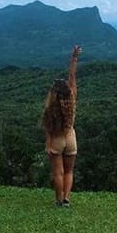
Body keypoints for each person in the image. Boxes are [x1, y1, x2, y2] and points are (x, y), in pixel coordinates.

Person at [42, 45, 81, 206]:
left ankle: (58, 200)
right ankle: (66, 199)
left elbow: (48, 129)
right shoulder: (71, 101)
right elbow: (72, 77)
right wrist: (74, 58)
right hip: (71, 137)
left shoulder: (51, 108)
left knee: (58, 172)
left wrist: (48, 144)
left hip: (57, 139)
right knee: (69, 171)